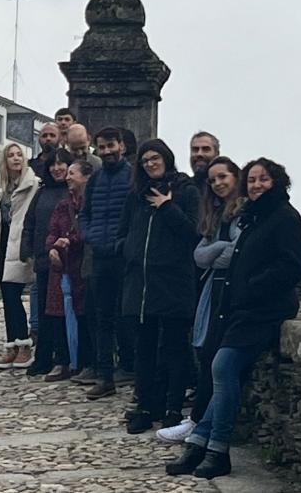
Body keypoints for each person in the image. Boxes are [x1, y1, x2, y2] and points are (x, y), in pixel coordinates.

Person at [167, 158, 301, 479]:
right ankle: (201, 445)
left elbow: (292, 266)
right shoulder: (252, 217)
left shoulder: (285, 217)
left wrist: (253, 287)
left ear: (277, 182)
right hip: (243, 308)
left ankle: (216, 449)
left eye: (264, 180)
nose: (256, 185)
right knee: (223, 369)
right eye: (252, 180)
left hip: (267, 309)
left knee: (223, 366)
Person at [158, 156, 244, 443]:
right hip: (212, 290)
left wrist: (216, 251)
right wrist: (220, 248)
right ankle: (200, 421)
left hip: (232, 291)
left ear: (235, 177)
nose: (218, 183)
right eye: (213, 179)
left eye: (223, 177)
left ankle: (200, 422)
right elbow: (200, 254)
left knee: (216, 360)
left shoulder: (243, 212)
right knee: (207, 354)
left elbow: (236, 253)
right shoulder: (215, 213)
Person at [117, 139, 200, 434]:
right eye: (145, 160)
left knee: (175, 348)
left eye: (155, 158)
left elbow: (194, 232)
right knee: (145, 349)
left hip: (174, 281)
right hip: (139, 283)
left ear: (166, 158)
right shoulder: (135, 195)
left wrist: (167, 207)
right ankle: (146, 406)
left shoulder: (186, 191)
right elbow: (122, 231)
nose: (150, 164)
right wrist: (127, 250)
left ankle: (173, 407)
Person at [75, 127, 133, 399]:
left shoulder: (133, 176)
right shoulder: (96, 180)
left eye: (111, 145)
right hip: (100, 256)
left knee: (130, 317)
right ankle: (104, 375)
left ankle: (132, 369)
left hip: (125, 256)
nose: (107, 151)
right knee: (102, 318)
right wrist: (91, 236)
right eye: (102, 147)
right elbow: (84, 215)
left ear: (121, 145)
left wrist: (125, 241)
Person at [0, 143, 40, 369]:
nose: (16, 159)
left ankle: (24, 344)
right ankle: (12, 344)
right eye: (11, 155)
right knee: (7, 297)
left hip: (19, 243)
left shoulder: (33, 185)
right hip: (2, 243)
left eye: (19, 155)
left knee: (14, 294)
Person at [21, 149, 73, 376]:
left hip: (67, 261)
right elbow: (30, 222)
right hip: (44, 259)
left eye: (62, 164)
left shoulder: (72, 192)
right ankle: (43, 357)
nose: (57, 168)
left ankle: (63, 357)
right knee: (43, 311)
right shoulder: (42, 192)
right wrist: (28, 248)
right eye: (53, 164)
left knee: (61, 312)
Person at [44, 160, 94, 381]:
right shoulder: (63, 205)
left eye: (73, 173)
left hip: (82, 265)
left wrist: (70, 240)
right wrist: (53, 248)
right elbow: (52, 230)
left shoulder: (91, 203)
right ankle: (63, 360)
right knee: (58, 314)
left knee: (83, 314)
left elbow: (86, 230)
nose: (68, 177)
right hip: (62, 266)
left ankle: (82, 361)